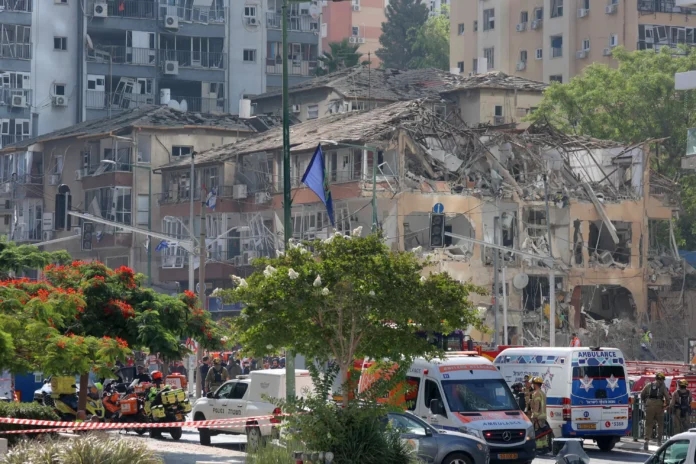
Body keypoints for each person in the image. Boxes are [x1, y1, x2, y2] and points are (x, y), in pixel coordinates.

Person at [641, 372, 670, 450]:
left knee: (648, 424)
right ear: (662, 379)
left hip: (649, 405)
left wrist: (645, 402)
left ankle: (646, 441)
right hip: (659, 406)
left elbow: (642, 394)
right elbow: (667, 397)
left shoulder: (649, 385)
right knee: (660, 424)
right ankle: (659, 441)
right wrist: (666, 405)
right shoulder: (663, 386)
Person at [529, 377, 551, 453]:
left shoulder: (536, 393)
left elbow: (536, 406)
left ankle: (538, 448)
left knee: (537, 433)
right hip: (542, 416)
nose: (532, 385)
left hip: (538, 417)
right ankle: (545, 447)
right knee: (542, 433)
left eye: (532, 384)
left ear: (535, 384)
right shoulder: (542, 393)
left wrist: (534, 416)